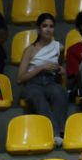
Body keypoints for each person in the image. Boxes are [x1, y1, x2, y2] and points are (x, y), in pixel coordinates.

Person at [17, 12, 67, 147]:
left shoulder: (59, 47)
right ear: (39, 29)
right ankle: (54, 133)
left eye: (51, 26)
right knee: (36, 95)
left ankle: (61, 133)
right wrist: (41, 68)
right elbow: (20, 79)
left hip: (51, 81)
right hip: (32, 83)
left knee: (59, 92)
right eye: (45, 26)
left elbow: (59, 67)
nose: (48, 29)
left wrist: (61, 71)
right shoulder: (30, 50)